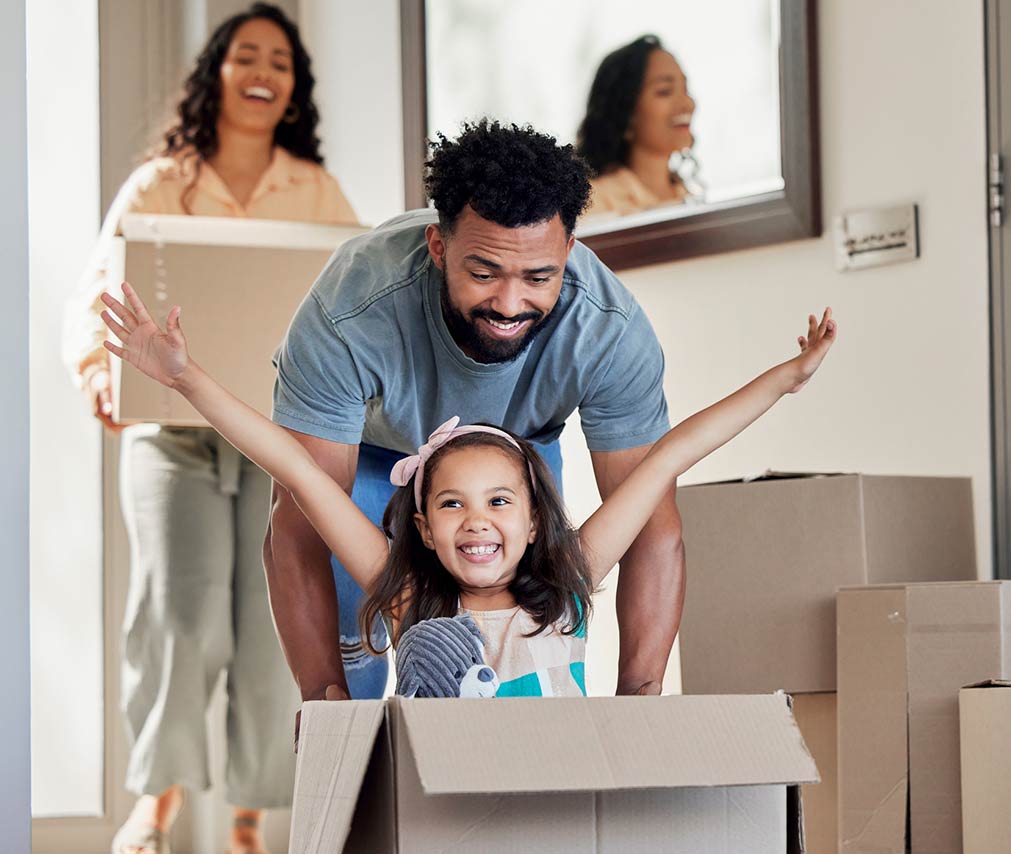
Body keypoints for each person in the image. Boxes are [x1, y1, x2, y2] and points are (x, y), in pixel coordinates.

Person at [102, 284, 836, 697]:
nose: (476, 522)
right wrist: (184, 379)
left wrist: (787, 378)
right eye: (451, 503)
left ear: (531, 521)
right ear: (421, 527)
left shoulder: (569, 587)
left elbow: (672, 451)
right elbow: (296, 470)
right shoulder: (410, 600)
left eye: (499, 502)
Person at [61, 5, 358, 854]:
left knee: (271, 629)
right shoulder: (162, 180)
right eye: (245, 56)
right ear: (216, 75)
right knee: (180, 617)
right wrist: (97, 376)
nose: (264, 70)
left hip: (273, 442)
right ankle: (155, 807)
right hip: (171, 437)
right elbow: (94, 295)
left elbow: (357, 302)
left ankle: (247, 821)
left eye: (280, 60)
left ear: (294, 87)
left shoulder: (317, 192)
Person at [263, 120, 685, 712]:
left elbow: (652, 523)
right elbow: (300, 518)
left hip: (519, 451)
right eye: (484, 273)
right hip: (371, 453)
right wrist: (321, 698)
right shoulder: (351, 311)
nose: (510, 304)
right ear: (439, 247)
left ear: (568, 251)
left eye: (539, 278)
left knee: (530, 647)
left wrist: (641, 700)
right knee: (350, 677)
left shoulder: (608, 331)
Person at [577, 35, 700, 218]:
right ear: (624, 111)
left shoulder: (688, 195)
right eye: (664, 91)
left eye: (685, 89)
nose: (688, 103)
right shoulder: (592, 204)